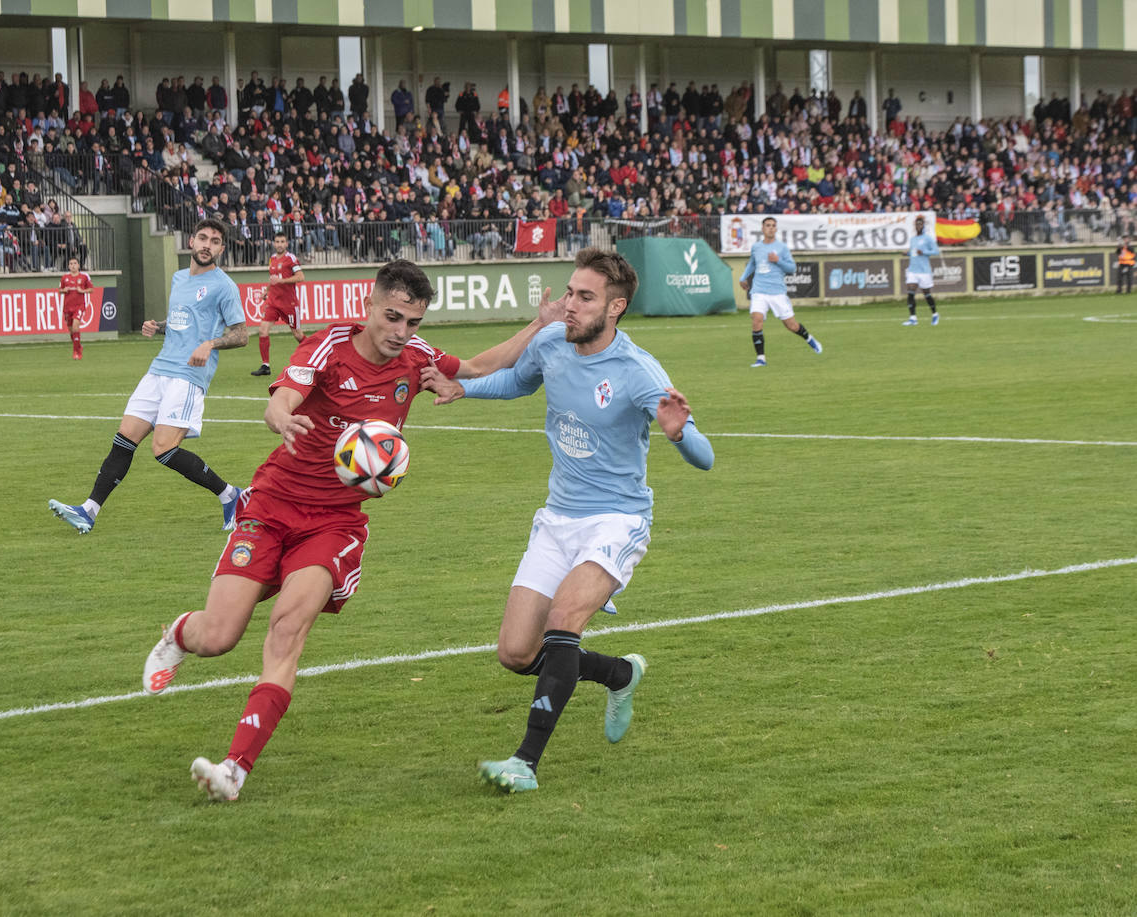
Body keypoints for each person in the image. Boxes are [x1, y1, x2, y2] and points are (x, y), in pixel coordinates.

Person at [141, 259, 564, 803]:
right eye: (393, 317)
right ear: (371, 305)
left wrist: (539, 324)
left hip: (335, 522)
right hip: (271, 506)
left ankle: (234, 768)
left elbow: (478, 366)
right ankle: (179, 634)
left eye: (412, 323)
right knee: (218, 636)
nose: (401, 333)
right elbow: (282, 399)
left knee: (288, 629)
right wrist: (283, 418)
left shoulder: (416, 358)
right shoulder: (327, 347)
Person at [419, 248, 714, 794]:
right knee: (516, 653)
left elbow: (706, 457)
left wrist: (679, 433)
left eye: (584, 297)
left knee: (563, 622)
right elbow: (517, 382)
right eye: (570, 292)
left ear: (616, 307)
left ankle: (524, 763)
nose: (569, 306)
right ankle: (619, 674)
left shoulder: (638, 371)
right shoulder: (553, 342)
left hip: (616, 520)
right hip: (557, 518)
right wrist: (465, 388)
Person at [48, 218, 248, 534]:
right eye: (202, 237)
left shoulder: (224, 286)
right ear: (192, 241)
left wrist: (210, 343)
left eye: (214, 240)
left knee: (163, 449)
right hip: (159, 370)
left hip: (188, 376)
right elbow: (186, 322)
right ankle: (88, 510)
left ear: (221, 248)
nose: (207, 244)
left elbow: (241, 334)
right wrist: (160, 327)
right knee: (124, 438)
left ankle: (231, 495)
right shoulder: (179, 278)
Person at [739, 216, 822, 367]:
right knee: (756, 320)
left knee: (792, 326)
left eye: (773, 225)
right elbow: (752, 263)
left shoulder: (782, 248)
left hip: (777, 292)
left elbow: (792, 269)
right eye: (768, 225)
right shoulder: (756, 247)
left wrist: (778, 261)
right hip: (759, 290)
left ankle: (809, 339)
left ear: (776, 229)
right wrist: (743, 277)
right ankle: (761, 359)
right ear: (762, 229)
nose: (770, 228)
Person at [250, 230, 305, 377]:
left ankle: (315, 355)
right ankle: (265, 365)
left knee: (298, 335)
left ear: (286, 243)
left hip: (289, 303)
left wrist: (282, 281)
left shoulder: (291, 258)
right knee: (263, 330)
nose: (279, 244)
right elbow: (273, 278)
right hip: (273, 302)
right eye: (277, 242)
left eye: (282, 242)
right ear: (274, 243)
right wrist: (266, 291)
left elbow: (300, 276)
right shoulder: (272, 258)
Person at [903, 214, 942, 326]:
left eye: (920, 224)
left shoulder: (928, 239)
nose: (918, 226)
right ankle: (913, 318)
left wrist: (924, 252)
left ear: (923, 226)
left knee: (927, 294)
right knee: (910, 292)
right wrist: (907, 253)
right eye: (916, 224)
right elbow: (913, 253)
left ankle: (935, 314)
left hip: (924, 271)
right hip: (913, 270)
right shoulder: (913, 239)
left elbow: (935, 251)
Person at [57, 256, 93, 360]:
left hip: (79, 306)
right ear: (68, 266)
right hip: (68, 307)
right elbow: (60, 290)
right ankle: (78, 346)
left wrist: (82, 291)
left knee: (76, 326)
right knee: (71, 330)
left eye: (75, 263)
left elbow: (91, 289)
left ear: (78, 265)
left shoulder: (84, 277)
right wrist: (64, 290)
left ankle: (76, 352)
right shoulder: (65, 278)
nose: (73, 265)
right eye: (71, 264)